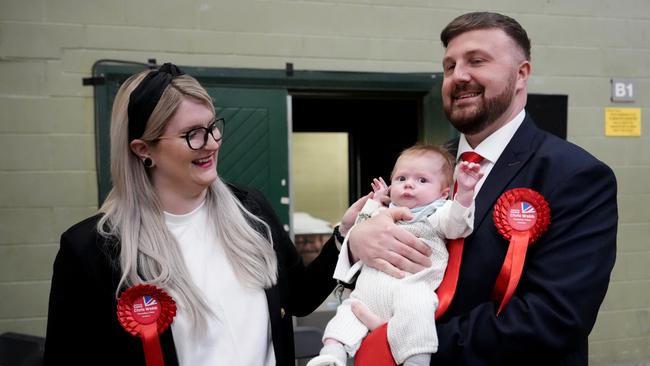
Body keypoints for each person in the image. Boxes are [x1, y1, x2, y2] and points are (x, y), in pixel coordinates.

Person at [342, 12, 618, 365]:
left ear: (522, 74)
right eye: (449, 65)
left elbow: (554, 317)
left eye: (476, 61)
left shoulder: (575, 176)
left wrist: (410, 345)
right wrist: (356, 242)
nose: (458, 76)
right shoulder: (429, 166)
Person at [43, 63, 363, 366]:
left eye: (212, 127)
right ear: (143, 150)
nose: (211, 143)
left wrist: (343, 239)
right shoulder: (90, 249)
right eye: (192, 134)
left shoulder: (251, 209)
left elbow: (299, 298)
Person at [308, 145, 483, 366]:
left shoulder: (438, 213)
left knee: (418, 310)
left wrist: (465, 195)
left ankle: (416, 361)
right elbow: (361, 227)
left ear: (443, 193)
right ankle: (332, 355)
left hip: (411, 287)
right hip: (369, 289)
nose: (409, 184)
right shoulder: (382, 212)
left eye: (422, 180)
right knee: (347, 314)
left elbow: (458, 226)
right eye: (401, 178)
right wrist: (374, 202)